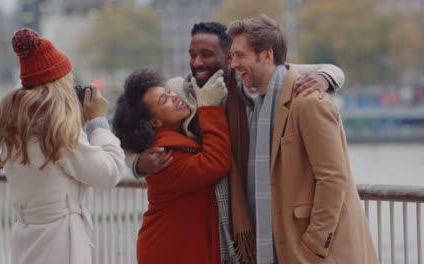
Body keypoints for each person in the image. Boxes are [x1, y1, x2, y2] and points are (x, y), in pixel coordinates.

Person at [127, 22, 347, 263]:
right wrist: (137, 162)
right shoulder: (178, 91)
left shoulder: (251, 82)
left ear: (228, 55)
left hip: (246, 208)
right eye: (193, 54)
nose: (198, 62)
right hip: (209, 220)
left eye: (207, 54)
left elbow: (326, 69)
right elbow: (131, 127)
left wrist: (324, 79)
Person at [227, 14, 379, 264]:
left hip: (317, 255)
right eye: (232, 56)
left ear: (267, 55)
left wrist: (314, 245)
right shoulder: (256, 104)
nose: (233, 64)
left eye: (240, 55)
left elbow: (333, 178)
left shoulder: (308, 102)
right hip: (285, 249)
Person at [0, 28, 126, 264]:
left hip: (26, 237)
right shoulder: (59, 130)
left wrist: (77, 124)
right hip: (61, 242)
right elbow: (109, 173)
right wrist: (98, 122)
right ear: (60, 84)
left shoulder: (15, 125)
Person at [113, 69, 230, 264]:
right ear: (155, 121)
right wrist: (209, 108)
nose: (173, 96)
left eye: (167, 92)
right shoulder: (163, 154)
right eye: (164, 100)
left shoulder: (168, 139)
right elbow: (216, 163)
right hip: (169, 251)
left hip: (176, 246)